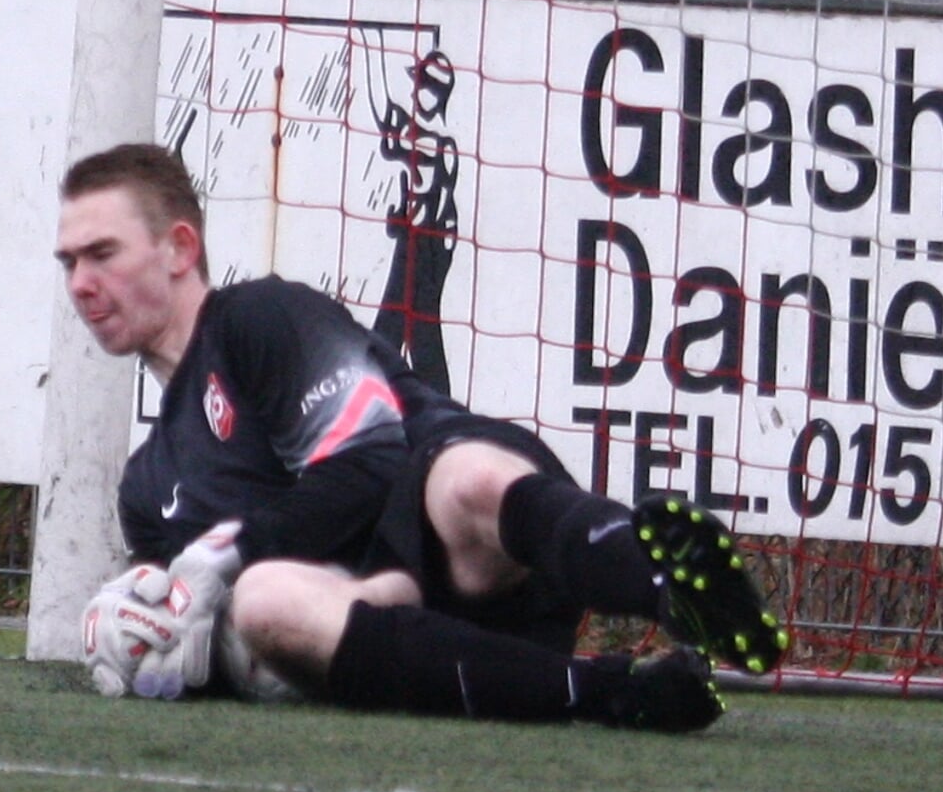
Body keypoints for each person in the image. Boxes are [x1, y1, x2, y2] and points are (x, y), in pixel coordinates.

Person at [54, 142, 787, 732]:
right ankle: (620, 693)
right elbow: (191, 639)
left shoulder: (256, 320)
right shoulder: (147, 488)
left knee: (460, 479)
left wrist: (220, 552)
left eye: (102, 253)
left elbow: (372, 460)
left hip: (471, 539)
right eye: (70, 263)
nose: (81, 282)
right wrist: (145, 636)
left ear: (180, 248)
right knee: (265, 602)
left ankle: (676, 593)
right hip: (405, 631)